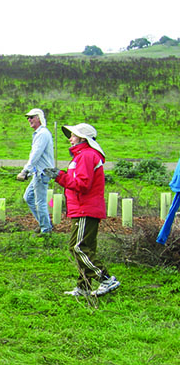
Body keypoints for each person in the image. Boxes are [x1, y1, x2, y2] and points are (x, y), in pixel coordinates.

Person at [47, 124, 120, 297]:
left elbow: (82, 185)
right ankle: (84, 287)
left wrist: (59, 176)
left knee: (77, 247)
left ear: (82, 138)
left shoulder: (86, 156)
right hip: (84, 208)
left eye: (72, 135)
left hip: (85, 208)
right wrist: (61, 175)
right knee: (86, 248)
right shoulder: (82, 156)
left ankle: (106, 279)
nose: (70, 139)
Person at [16, 108, 54, 235]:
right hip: (38, 172)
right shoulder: (39, 133)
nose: (29, 120)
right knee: (28, 197)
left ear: (38, 118)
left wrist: (25, 170)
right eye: (28, 117)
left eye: (32, 117)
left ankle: (46, 230)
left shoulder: (42, 134)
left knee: (40, 202)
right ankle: (45, 223)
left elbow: (35, 154)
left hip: (42, 173)